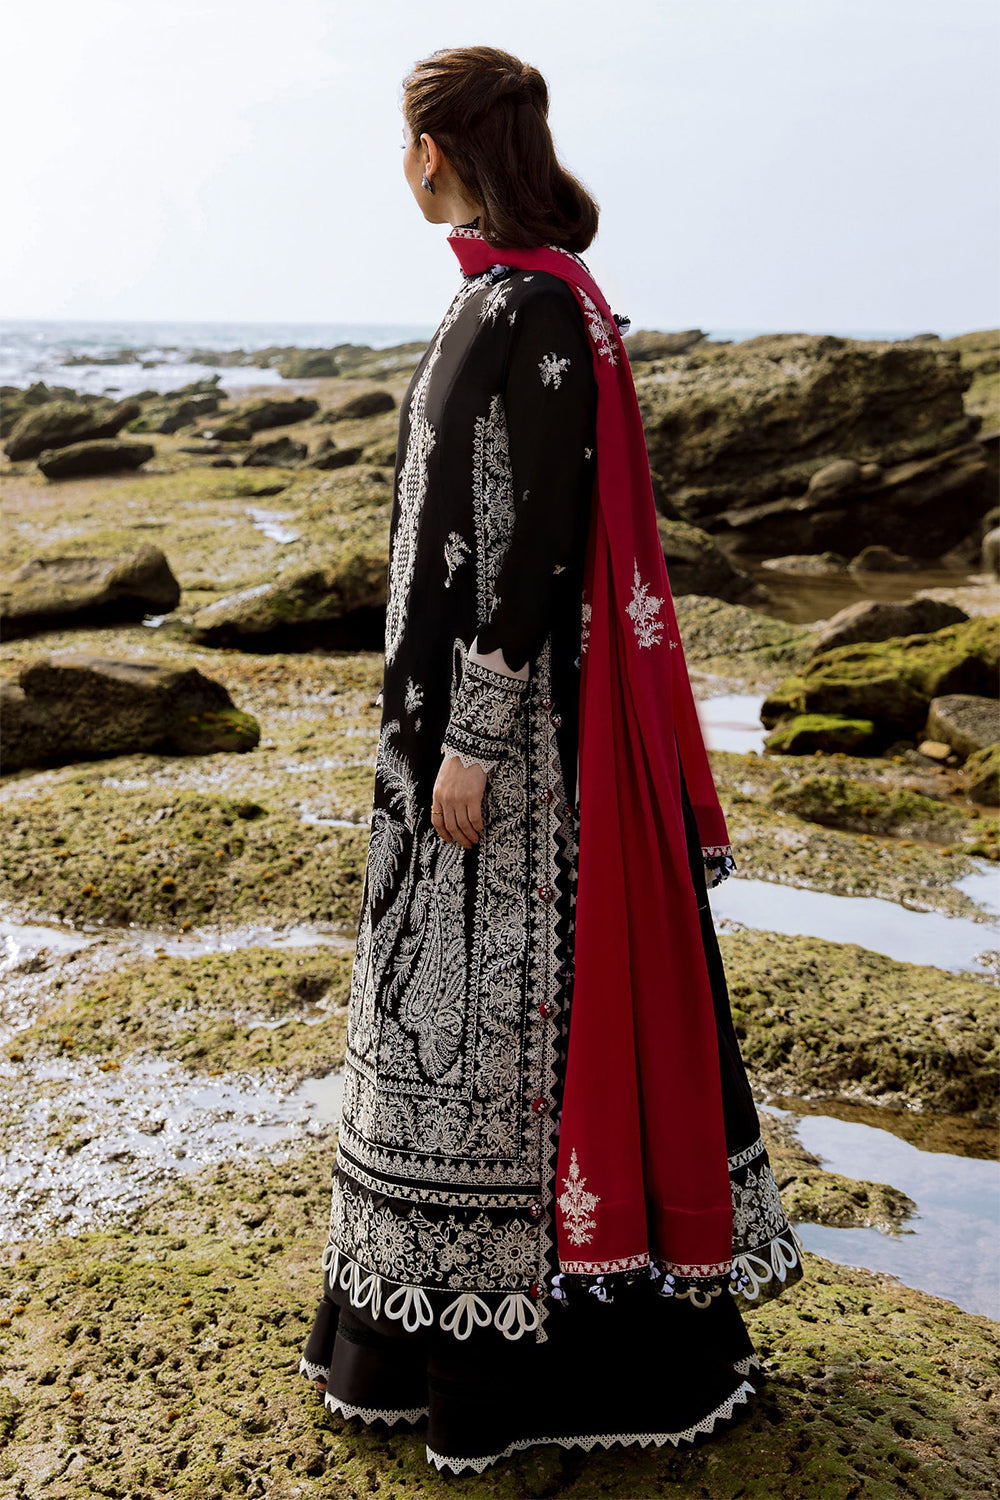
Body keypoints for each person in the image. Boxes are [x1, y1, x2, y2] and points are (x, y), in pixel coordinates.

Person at [299, 44, 803, 1476]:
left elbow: (532, 548)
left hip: (513, 764)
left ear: (439, 149)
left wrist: (471, 739)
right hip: (436, 751)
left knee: (498, 1039)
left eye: (407, 143)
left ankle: (539, 1370)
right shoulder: (493, 298)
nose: (402, 167)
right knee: (428, 1028)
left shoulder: (538, 310)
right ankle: (409, 1340)